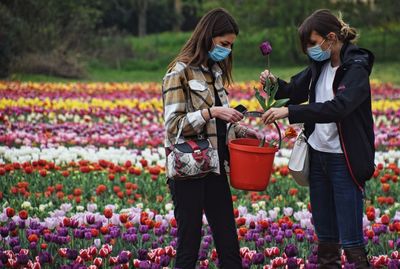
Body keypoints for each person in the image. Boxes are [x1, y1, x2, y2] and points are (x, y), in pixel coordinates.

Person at [260, 9, 374, 269]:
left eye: (312, 43)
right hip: (318, 157)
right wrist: (272, 84)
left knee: (352, 239)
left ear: (331, 38)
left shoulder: (355, 69)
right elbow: (293, 91)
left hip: (344, 161)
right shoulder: (319, 65)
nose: (310, 50)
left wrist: (290, 111)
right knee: (326, 238)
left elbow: (339, 108)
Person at [162, 8, 261, 269]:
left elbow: (218, 124)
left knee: (229, 244)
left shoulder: (214, 73)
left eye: (230, 46)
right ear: (207, 37)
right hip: (189, 171)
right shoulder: (178, 72)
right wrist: (210, 112)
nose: (227, 50)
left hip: (216, 168)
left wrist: (240, 131)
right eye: (223, 44)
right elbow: (174, 127)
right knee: (189, 245)